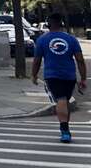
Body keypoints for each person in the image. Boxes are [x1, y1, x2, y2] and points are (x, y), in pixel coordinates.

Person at [32, 13, 87, 143]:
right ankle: (65, 127)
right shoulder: (71, 39)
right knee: (65, 101)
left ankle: (65, 130)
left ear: (49, 24)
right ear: (61, 24)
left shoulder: (42, 40)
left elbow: (37, 60)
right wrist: (83, 78)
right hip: (69, 76)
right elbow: (80, 60)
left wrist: (34, 75)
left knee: (61, 100)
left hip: (52, 75)